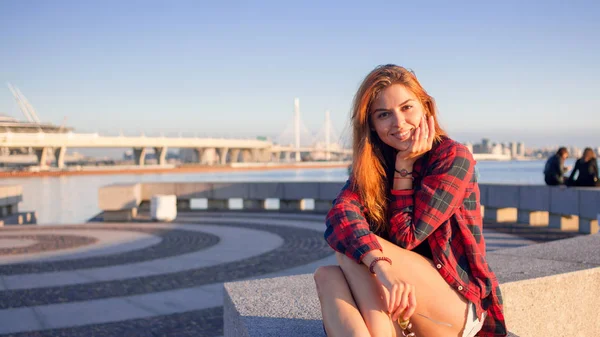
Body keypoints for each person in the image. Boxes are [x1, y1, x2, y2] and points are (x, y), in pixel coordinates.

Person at [313, 64, 506, 337]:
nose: (399, 123)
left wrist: (404, 167)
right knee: (326, 274)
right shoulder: (373, 166)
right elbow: (339, 217)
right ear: (372, 125)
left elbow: (407, 237)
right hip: (397, 298)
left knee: (352, 248)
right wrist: (382, 269)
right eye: (384, 114)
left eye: (407, 108)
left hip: (455, 303)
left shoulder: (452, 157)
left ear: (425, 108)